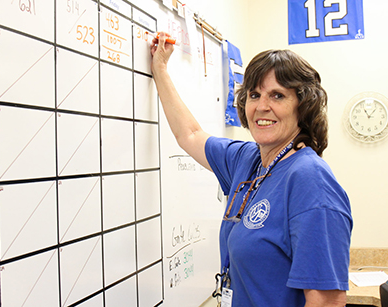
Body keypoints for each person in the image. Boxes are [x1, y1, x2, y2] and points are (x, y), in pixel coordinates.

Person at [150, 32, 352, 307]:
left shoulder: (309, 179)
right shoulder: (248, 160)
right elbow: (190, 135)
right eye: (254, 95)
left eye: (277, 95)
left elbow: (327, 301)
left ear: (303, 106)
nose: (261, 107)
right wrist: (160, 69)